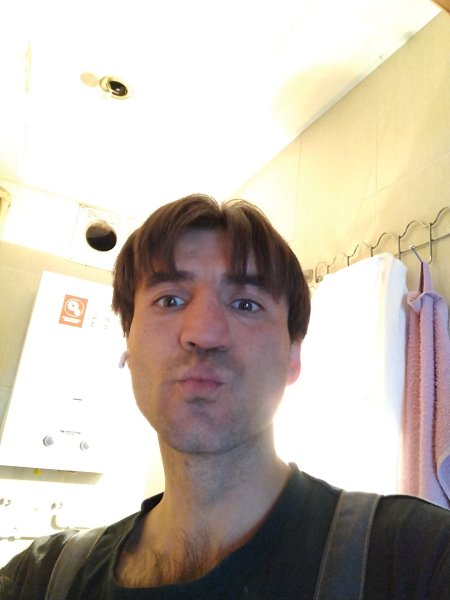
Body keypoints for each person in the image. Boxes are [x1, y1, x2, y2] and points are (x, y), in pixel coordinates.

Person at [1, 193, 450, 599]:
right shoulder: (38, 580)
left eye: (246, 304)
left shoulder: (417, 558)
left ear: (293, 356)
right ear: (128, 340)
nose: (204, 333)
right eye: (170, 300)